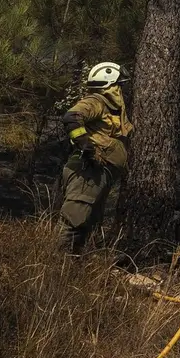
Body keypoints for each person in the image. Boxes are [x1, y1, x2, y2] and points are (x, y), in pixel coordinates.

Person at [57, 61, 132, 254]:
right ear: (110, 84)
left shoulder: (112, 109)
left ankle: (72, 267)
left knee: (87, 224)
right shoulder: (96, 101)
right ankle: (56, 267)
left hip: (99, 174)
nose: (122, 90)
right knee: (74, 221)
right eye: (119, 85)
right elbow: (71, 118)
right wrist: (86, 145)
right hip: (87, 172)